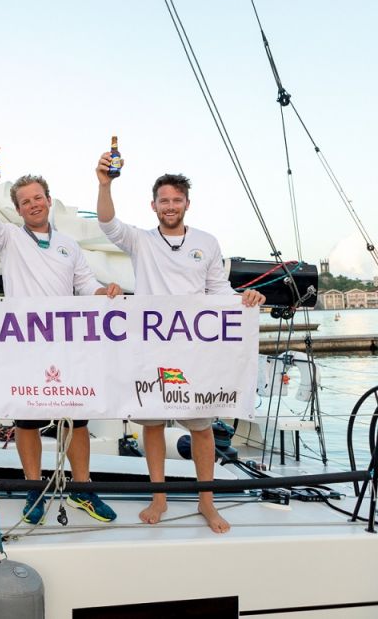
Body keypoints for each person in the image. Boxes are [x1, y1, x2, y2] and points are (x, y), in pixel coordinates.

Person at [95, 156, 265, 533]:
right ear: (153, 205)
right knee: (152, 424)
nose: (170, 206)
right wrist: (105, 184)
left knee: (200, 426)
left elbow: (219, 290)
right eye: (163, 200)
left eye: (176, 200)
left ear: (187, 203)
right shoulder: (140, 239)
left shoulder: (207, 242)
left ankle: (207, 500)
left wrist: (245, 299)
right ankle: (159, 496)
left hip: (194, 352)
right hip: (151, 348)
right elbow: (106, 222)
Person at [0, 141, 121, 526]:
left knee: (79, 419)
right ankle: (33, 487)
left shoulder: (69, 246)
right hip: (24, 344)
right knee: (27, 422)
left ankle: (84, 490)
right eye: (25, 202)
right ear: (19, 209)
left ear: (49, 200)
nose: (33, 205)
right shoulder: (8, 238)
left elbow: (86, 286)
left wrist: (105, 291)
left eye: (38, 198)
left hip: (67, 346)